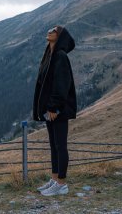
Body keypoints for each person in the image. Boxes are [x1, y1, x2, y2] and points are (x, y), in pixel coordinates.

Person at [32, 25, 77, 196]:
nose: (50, 31)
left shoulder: (60, 56)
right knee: (53, 146)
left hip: (58, 110)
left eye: (54, 30)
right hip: (50, 109)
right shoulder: (49, 55)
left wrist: (54, 107)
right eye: (50, 29)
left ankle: (62, 184)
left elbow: (62, 85)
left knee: (60, 145)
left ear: (60, 37)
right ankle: (54, 179)